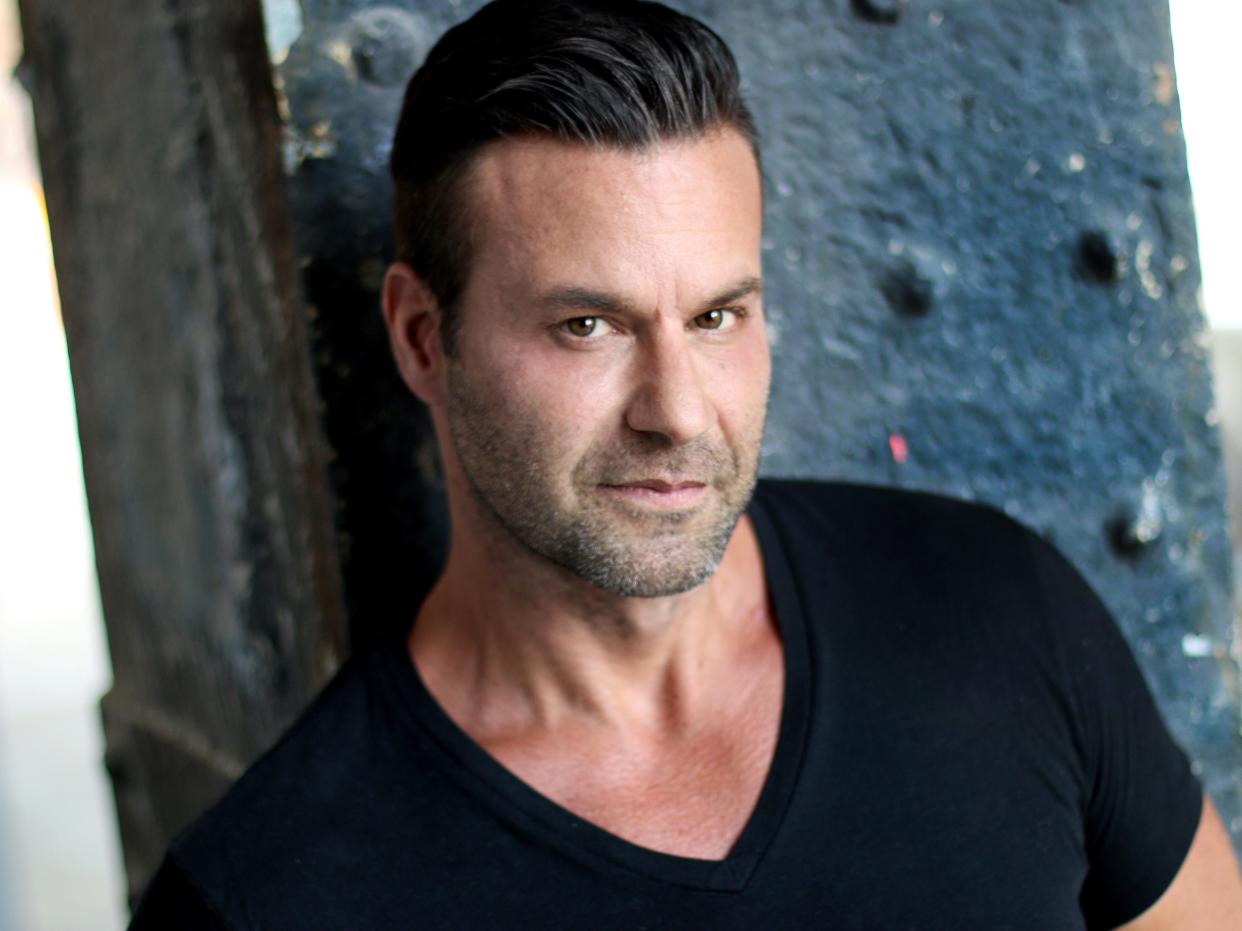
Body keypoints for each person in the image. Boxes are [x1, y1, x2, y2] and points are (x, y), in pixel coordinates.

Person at [130, 0, 1242, 927]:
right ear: (425, 337)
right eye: (588, 327)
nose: (676, 412)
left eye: (716, 316)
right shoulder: (264, 896)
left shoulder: (998, 609)